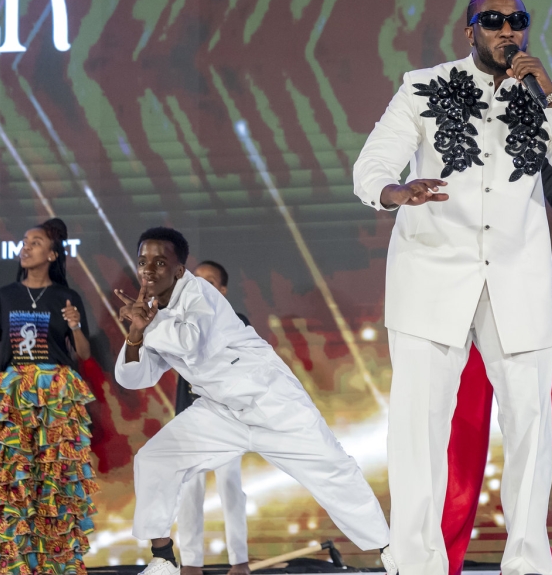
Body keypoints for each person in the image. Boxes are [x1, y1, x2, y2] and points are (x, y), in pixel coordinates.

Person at [352, 0, 552, 575]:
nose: (506, 30)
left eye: (517, 19)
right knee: (418, 432)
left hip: (517, 282)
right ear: (470, 30)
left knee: (531, 433)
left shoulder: (542, 99)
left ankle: (527, 564)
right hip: (431, 279)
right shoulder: (423, 86)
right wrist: (395, 192)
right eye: (492, 20)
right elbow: (372, 165)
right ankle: (417, 564)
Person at [112, 228, 393, 575]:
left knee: (335, 471)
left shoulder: (199, 293)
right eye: (142, 262)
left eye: (159, 262)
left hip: (270, 400)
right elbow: (134, 377)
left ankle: (391, 551)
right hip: (220, 411)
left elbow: (190, 342)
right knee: (155, 459)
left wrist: (148, 324)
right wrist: (137, 334)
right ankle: (164, 558)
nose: (148, 270)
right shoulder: (151, 313)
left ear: (179, 270)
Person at [441, 160, 552, 575]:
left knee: (530, 437)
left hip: (531, 306)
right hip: (466, 304)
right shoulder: (471, 144)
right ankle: (441, 563)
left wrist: (526, 179)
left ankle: (528, 563)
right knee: (458, 445)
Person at [0, 218, 98, 575]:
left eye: (35, 242)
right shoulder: (6, 295)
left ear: (52, 253)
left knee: (55, 478)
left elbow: (84, 354)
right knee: (15, 478)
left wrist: (75, 324)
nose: (25, 247)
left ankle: (54, 564)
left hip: (56, 391)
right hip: (14, 390)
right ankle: (16, 565)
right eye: (24, 241)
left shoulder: (66, 296)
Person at [173, 261, 249, 575]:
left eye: (210, 282)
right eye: (197, 281)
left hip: (226, 419)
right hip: (190, 417)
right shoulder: (179, 320)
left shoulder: (238, 322)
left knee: (230, 486)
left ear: (223, 290)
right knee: (189, 490)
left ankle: (239, 560)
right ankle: (190, 563)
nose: (202, 287)